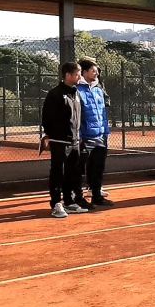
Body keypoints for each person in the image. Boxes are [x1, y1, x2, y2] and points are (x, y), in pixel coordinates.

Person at [42, 62, 88, 218]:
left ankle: (69, 202)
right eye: (77, 74)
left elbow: (79, 117)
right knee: (58, 173)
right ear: (67, 75)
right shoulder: (55, 94)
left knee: (72, 172)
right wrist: (50, 135)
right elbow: (47, 117)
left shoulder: (76, 93)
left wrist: (78, 136)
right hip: (60, 141)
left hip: (75, 141)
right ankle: (56, 204)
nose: (79, 77)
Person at [77, 57, 113, 207]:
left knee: (98, 167)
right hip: (85, 137)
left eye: (97, 71)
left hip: (100, 135)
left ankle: (97, 196)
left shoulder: (98, 89)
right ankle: (78, 198)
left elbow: (103, 112)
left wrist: (105, 131)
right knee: (79, 169)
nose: (97, 73)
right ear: (84, 72)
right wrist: (79, 135)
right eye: (93, 71)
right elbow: (76, 115)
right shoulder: (77, 90)